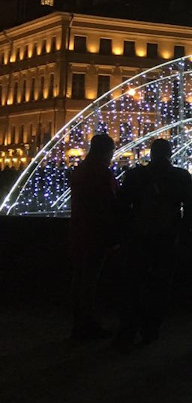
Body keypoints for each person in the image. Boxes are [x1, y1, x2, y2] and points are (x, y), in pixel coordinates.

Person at [115, 138, 192, 349]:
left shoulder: (136, 175)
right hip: (167, 236)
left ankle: (128, 329)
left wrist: (127, 229)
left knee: (133, 284)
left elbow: (122, 205)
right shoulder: (179, 176)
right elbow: (191, 205)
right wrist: (183, 228)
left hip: (139, 236)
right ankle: (150, 329)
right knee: (160, 284)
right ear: (170, 154)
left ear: (151, 154)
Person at [68, 133, 121, 340]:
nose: (111, 156)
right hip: (94, 233)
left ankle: (79, 323)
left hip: (79, 230)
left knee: (80, 278)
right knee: (88, 280)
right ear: (105, 151)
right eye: (111, 152)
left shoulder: (81, 170)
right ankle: (85, 324)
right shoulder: (99, 172)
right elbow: (109, 202)